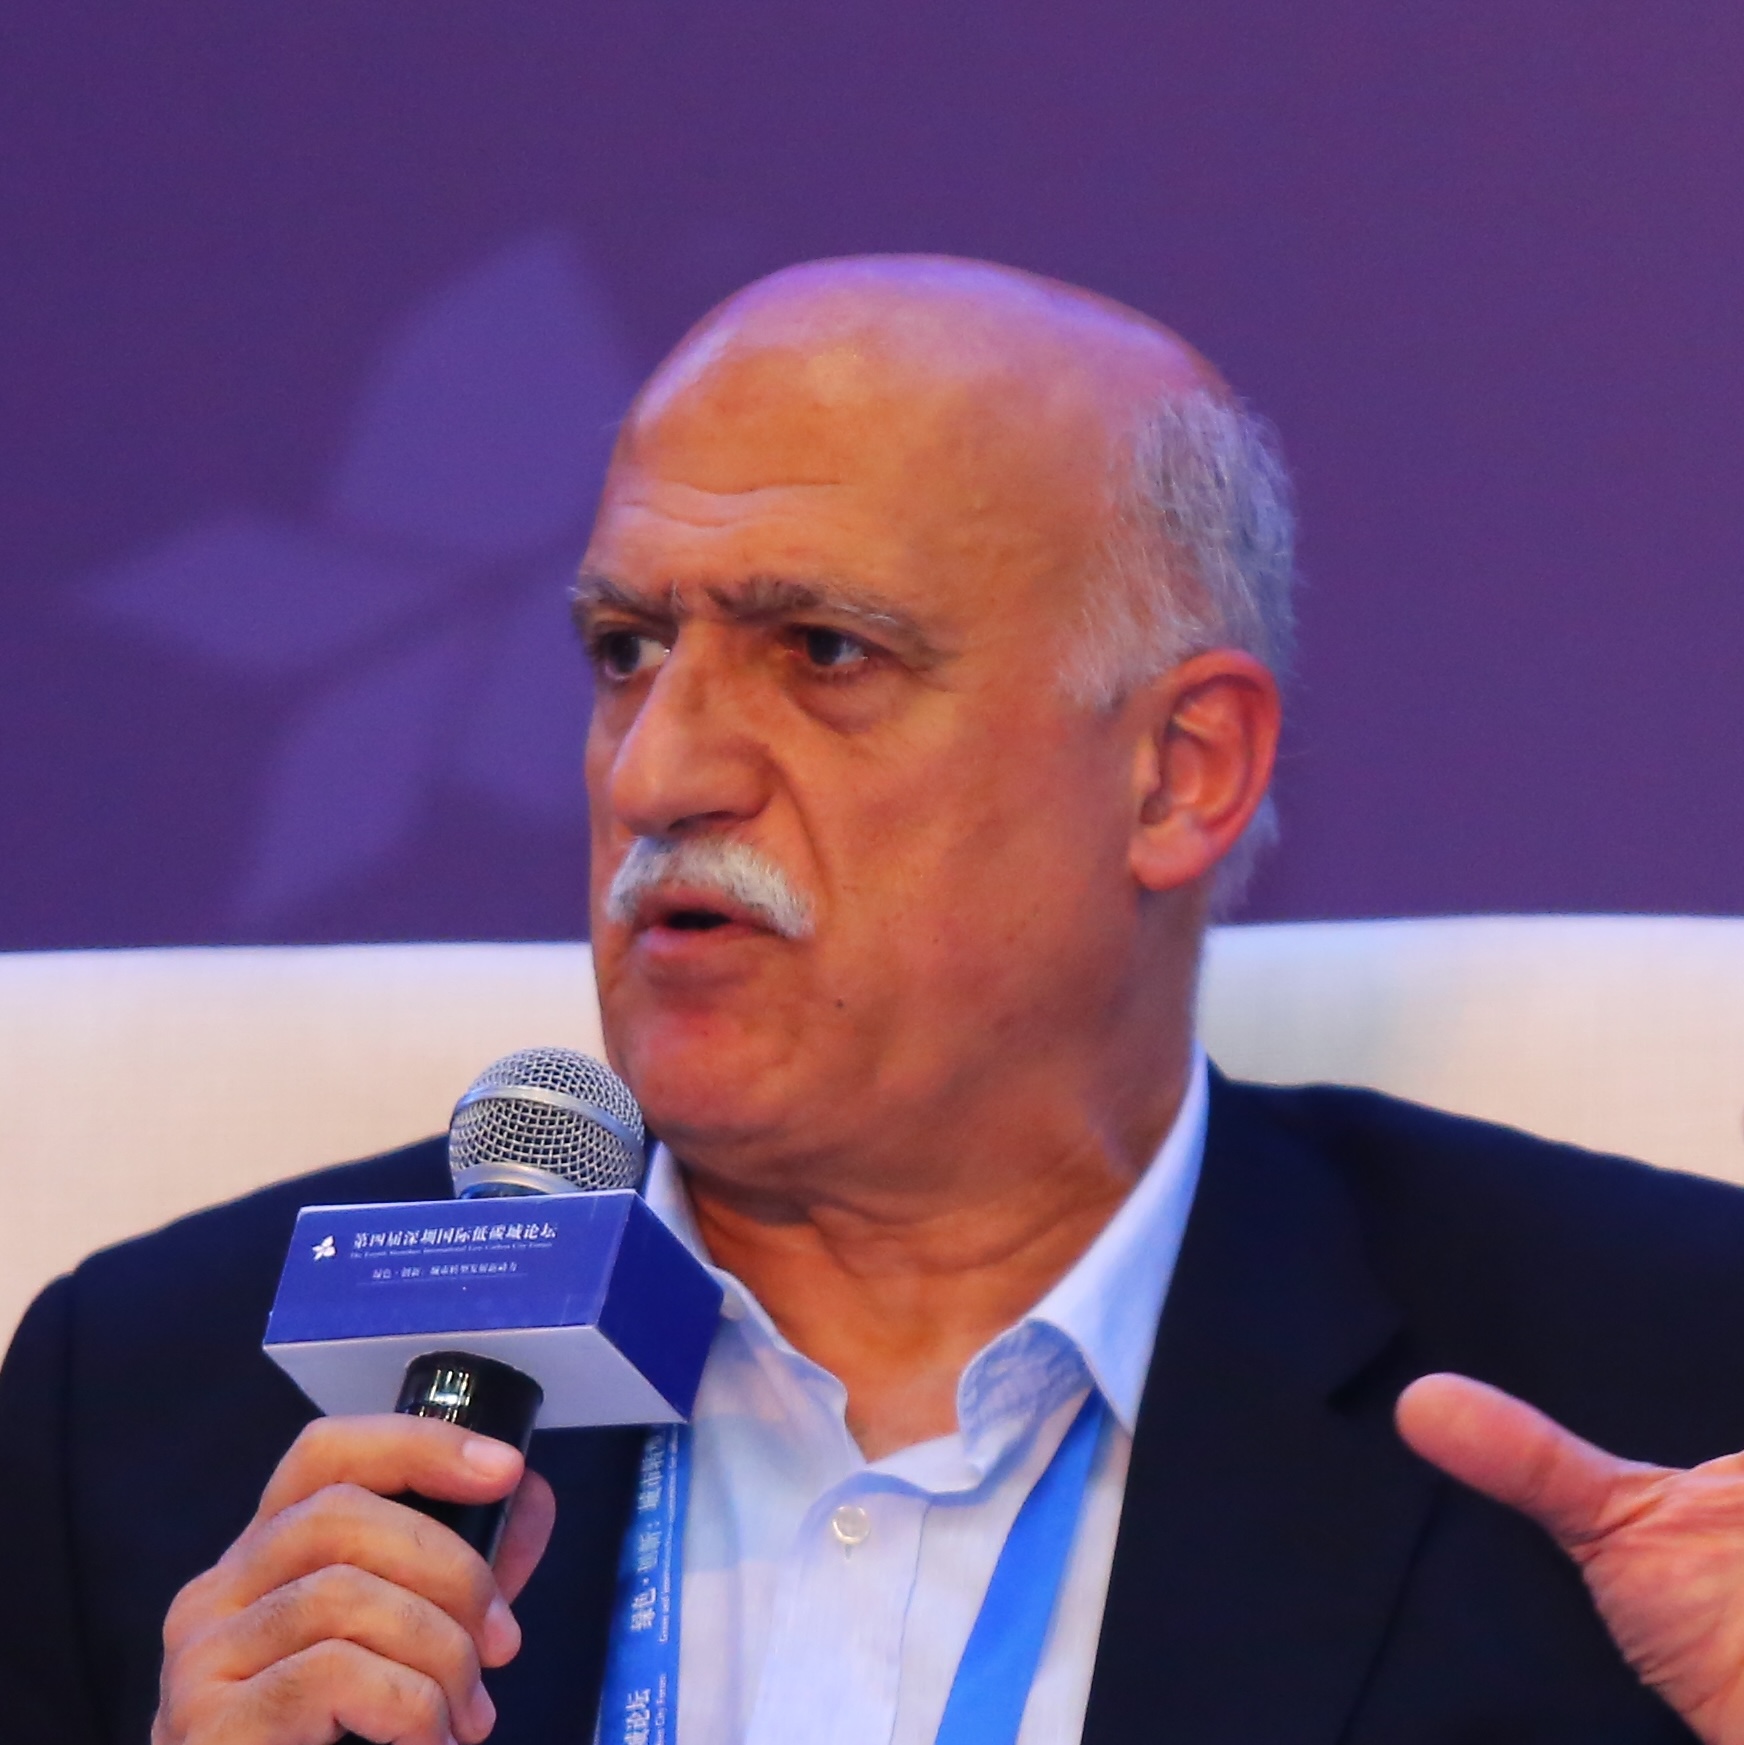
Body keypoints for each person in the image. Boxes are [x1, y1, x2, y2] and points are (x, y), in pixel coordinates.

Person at [6, 256, 1744, 1745]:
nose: (660, 767)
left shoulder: (1658, 1387)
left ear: (1178, 772)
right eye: (625, 650)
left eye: (825, 652)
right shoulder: (158, 1409)